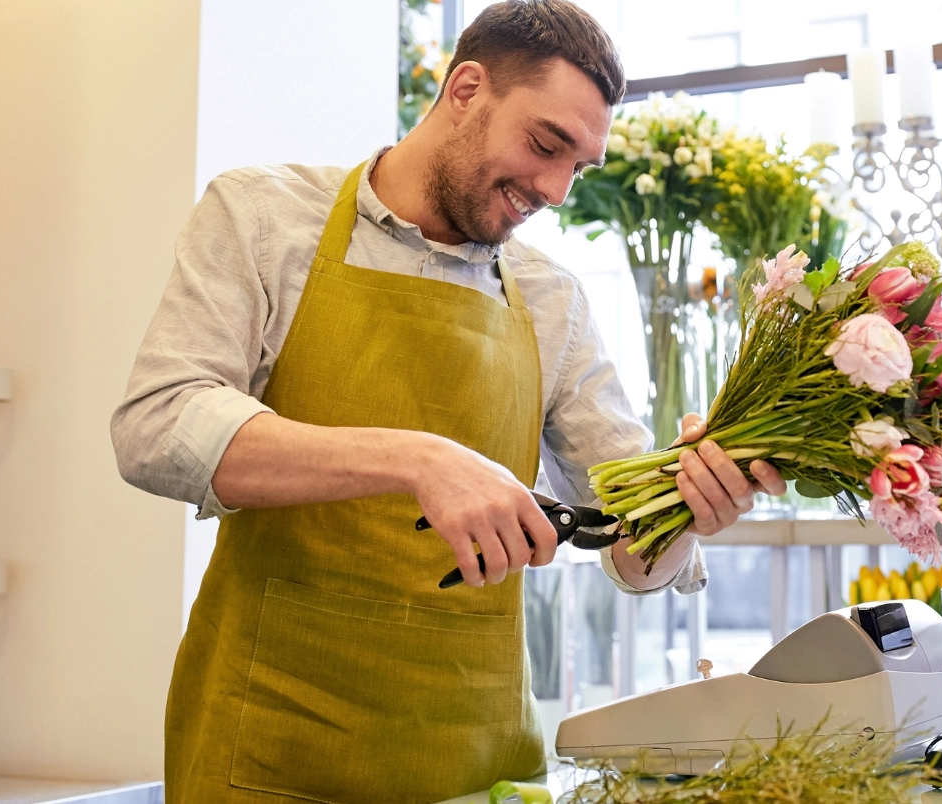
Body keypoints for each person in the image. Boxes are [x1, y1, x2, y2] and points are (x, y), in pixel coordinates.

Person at [109, 2, 783, 799]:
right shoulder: (263, 218)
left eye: (580, 166)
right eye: (544, 145)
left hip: (478, 761)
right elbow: (157, 424)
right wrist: (417, 459)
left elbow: (634, 554)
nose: (557, 190)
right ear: (465, 89)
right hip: (269, 746)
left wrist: (688, 508)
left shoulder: (550, 300)